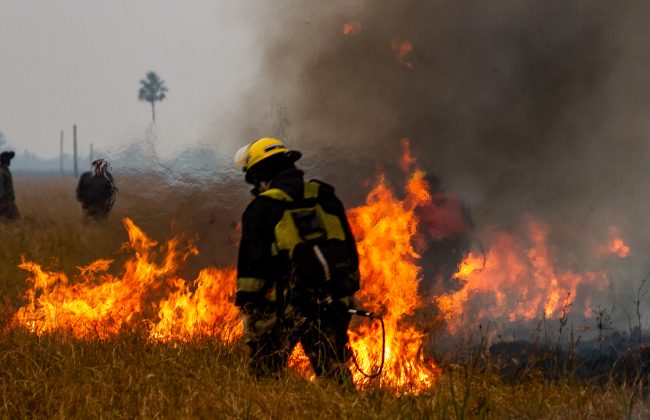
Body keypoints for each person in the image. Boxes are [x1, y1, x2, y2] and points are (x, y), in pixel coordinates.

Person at [233, 137, 360, 384]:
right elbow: (349, 250)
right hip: (331, 303)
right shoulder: (325, 196)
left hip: (284, 307)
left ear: (260, 173)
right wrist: (344, 297)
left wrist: (248, 304)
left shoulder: (262, 206)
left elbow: (252, 267)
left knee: (265, 378)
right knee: (335, 376)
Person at [0, 151, 20, 220]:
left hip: (10, 202)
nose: (10, 161)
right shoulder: (1, 172)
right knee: (4, 221)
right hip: (4, 203)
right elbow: (0, 188)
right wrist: (1, 202)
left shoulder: (6, 171)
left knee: (17, 220)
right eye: (9, 159)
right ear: (6, 161)